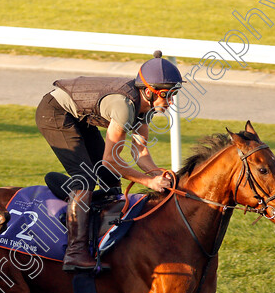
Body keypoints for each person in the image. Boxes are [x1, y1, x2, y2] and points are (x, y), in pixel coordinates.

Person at [35, 50, 184, 272]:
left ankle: (100, 224)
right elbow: (110, 159)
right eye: (166, 95)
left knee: (108, 177)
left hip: (80, 116)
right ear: (149, 91)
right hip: (55, 112)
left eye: (173, 94)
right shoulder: (124, 107)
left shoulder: (147, 108)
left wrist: (156, 173)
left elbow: (140, 153)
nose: (170, 102)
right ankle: (75, 253)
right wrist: (147, 182)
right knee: (85, 178)